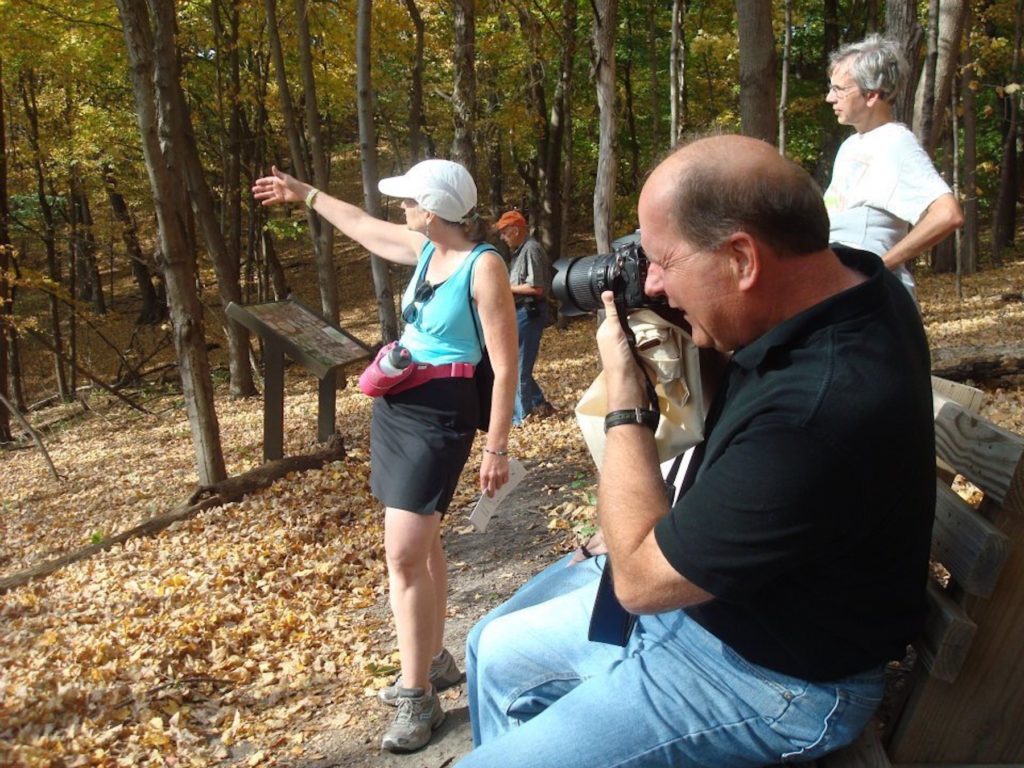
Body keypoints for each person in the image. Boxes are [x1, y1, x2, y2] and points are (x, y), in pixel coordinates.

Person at [458, 134, 937, 767]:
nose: (651, 281)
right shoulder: (842, 283)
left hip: (774, 676)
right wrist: (693, 332)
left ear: (742, 257)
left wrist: (627, 400)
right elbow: (739, 403)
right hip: (725, 608)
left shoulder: (817, 408)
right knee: (492, 649)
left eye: (663, 260)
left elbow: (639, 580)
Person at [253, 159, 517, 753]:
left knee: (402, 555)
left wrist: (497, 446)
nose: (400, 208)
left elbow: (504, 369)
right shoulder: (425, 248)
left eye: (407, 201)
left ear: (432, 208)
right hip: (398, 404)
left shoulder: (484, 266)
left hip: (442, 413)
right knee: (423, 545)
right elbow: (363, 226)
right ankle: (433, 656)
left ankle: (416, 694)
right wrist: (305, 193)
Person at [824, 33, 963, 299]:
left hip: (872, 298)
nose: (830, 98)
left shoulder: (896, 142)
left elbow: (947, 214)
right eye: (831, 88)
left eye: (839, 89)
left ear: (872, 94)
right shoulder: (851, 146)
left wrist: (879, 268)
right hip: (843, 289)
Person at [496, 210, 555, 425]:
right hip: (521, 312)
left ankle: (522, 416)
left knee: (519, 365)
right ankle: (540, 405)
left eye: (504, 232)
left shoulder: (531, 249)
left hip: (530, 313)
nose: (503, 237)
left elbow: (538, 288)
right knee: (516, 363)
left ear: (515, 230)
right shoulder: (521, 251)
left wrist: (507, 288)